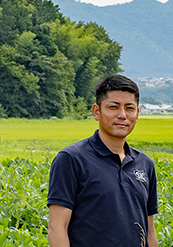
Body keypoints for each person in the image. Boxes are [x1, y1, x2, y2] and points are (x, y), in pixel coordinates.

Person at [47, 75, 159, 247]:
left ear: (137, 113)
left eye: (129, 108)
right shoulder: (71, 159)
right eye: (113, 107)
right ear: (97, 112)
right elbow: (57, 227)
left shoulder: (145, 164)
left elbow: (149, 229)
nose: (122, 115)